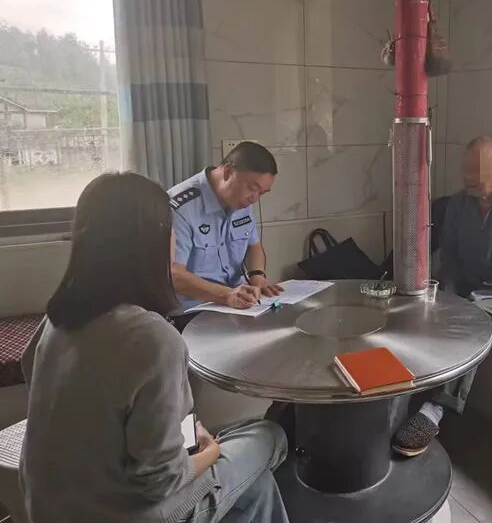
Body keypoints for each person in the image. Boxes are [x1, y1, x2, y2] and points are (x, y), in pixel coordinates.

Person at [21, 172, 290, 523]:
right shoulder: (152, 338)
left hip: (48, 506)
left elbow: (32, 371)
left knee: (255, 485)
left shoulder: (56, 319)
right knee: (267, 435)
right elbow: (162, 480)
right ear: (153, 242)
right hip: (128, 513)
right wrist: (211, 451)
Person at [392, 135, 492, 457]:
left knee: (471, 319)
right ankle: (404, 392)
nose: (469, 178)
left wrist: (462, 305)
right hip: (469, 292)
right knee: (424, 305)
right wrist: (445, 297)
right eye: (465, 171)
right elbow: (450, 259)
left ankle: (435, 408)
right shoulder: (459, 204)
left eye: (477, 170)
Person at [169, 142, 284, 328]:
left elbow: (253, 246)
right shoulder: (181, 208)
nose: (254, 199)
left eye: (262, 193)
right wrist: (227, 295)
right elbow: (174, 275)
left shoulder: (241, 199)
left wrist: (257, 276)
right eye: (252, 188)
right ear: (228, 171)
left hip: (237, 306)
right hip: (194, 312)